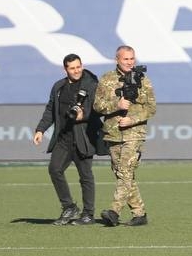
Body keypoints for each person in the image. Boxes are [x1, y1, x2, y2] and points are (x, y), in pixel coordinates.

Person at [33, 54, 104, 225]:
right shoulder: (58, 87)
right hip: (63, 138)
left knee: (85, 176)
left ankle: (88, 214)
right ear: (65, 69)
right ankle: (69, 207)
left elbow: (100, 109)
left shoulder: (92, 85)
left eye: (78, 66)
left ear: (82, 65)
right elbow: (50, 110)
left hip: (84, 137)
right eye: (72, 68)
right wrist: (41, 129)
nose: (76, 70)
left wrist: (83, 115)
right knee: (54, 169)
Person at [93, 45, 156, 227]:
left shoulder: (143, 80)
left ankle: (114, 211)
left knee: (125, 171)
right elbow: (97, 106)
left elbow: (151, 108)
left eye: (132, 59)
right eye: (126, 59)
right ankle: (139, 213)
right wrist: (116, 105)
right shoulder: (106, 79)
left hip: (134, 133)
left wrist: (132, 119)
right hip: (113, 133)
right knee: (122, 174)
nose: (129, 62)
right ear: (117, 60)